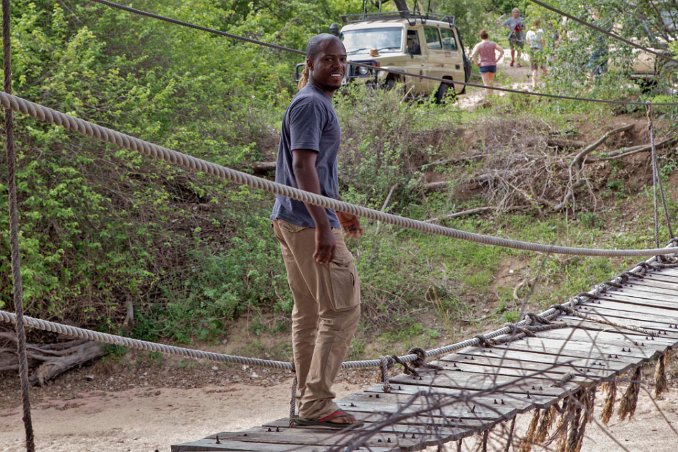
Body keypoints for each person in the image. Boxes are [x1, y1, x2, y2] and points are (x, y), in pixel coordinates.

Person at [271, 34, 363, 429]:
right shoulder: (310, 103)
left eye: (342, 59)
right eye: (329, 60)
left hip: (293, 218)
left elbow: (317, 170)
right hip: (308, 224)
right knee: (342, 309)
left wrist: (339, 210)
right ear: (309, 64)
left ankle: (308, 401)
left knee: (308, 312)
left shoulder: (315, 102)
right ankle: (317, 403)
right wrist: (325, 226)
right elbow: (303, 167)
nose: (338, 66)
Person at [469, 30, 504, 96]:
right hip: (492, 65)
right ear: (488, 36)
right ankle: (492, 96)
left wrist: (476, 62)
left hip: (483, 65)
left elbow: (473, 54)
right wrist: (497, 60)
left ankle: (489, 98)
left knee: (486, 84)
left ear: (480, 37)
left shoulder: (479, 45)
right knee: (490, 82)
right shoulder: (493, 44)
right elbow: (502, 51)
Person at [525, 19, 548, 88]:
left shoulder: (528, 32)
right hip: (539, 50)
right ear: (539, 24)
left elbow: (528, 42)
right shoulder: (540, 31)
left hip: (532, 50)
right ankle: (546, 82)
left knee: (534, 68)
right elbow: (543, 41)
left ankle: (534, 84)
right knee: (543, 66)